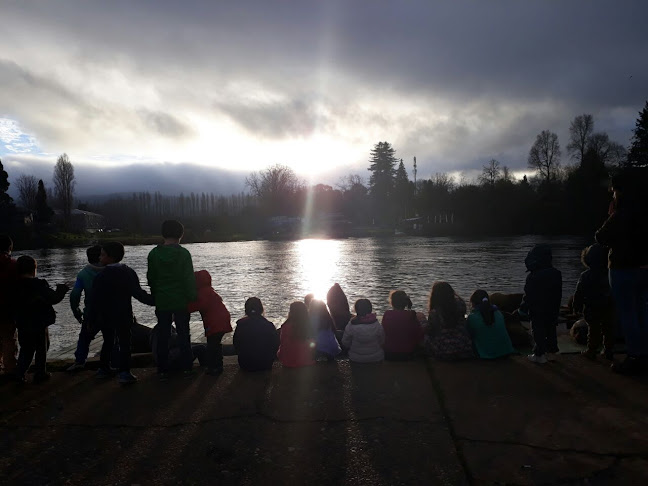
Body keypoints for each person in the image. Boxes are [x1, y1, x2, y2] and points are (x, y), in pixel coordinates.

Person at [595, 170, 648, 374]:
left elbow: (600, 237)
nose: (613, 194)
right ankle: (644, 354)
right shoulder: (644, 211)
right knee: (642, 311)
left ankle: (635, 357)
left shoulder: (622, 214)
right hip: (644, 269)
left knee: (628, 315)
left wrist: (611, 214)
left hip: (623, 269)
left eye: (614, 191)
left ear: (620, 191)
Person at [88, 242, 154, 384]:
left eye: (103, 254)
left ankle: (104, 368)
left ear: (110, 257)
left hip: (105, 316)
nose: (100, 257)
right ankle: (124, 372)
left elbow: (94, 301)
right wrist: (154, 301)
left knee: (108, 342)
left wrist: (91, 320)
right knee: (125, 343)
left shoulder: (101, 276)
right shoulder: (128, 272)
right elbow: (138, 293)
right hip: (124, 315)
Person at [147, 220, 197, 379]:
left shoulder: (154, 254)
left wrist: (155, 294)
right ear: (181, 235)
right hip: (181, 301)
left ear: (163, 234)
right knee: (184, 334)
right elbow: (188, 278)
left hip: (162, 301)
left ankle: (162, 369)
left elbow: (151, 278)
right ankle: (187, 367)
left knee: (163, 335)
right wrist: (192, 297)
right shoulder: (183, 254)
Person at [13, 255, 69, 383]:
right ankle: (40, 373)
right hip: (40, 324)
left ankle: (20, 374)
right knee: (42, 348)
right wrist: (62, 289)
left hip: (22, 324)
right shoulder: (39, 284)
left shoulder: (15, 286)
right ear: (34, 270)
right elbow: (53, 298)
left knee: (26, 350)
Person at [518, 244, 562, 364]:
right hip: (553, 309)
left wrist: (522, 309)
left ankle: (539, 355)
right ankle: (552, 352)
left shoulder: (533, 276)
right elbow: (558, 293)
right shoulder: (556, 273)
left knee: (538, 332)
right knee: (551, 330)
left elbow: (528, 296)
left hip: (537, 311)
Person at [573, 243, 615, 361]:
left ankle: (591, 351)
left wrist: (576, 305)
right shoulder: (610, 274)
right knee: (608, 328)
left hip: (592, 306)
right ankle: (608, 350)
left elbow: (579, 292)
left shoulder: (585, 275)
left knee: (593, 329)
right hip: (608, 305)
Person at [67, 245, 104, 371]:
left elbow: (75, 295)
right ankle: (111, 363)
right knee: (112, 339)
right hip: (110, 312)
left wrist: (77, 312)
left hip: (91, 314)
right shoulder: (111, 271)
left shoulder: (83, 274)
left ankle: (79, 362)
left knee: (84, 339)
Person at [187, 270, 232, 375]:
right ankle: (217, 365)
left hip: (215, 323)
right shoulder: (209, 291)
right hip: (221, 320)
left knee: (212, 346)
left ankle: (213, 367)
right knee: (215, 344)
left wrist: (185, 308)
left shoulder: (202, 292)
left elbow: (199, 305)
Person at [423, 282, 474, 360]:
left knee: (425, 335)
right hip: (463, 347)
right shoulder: (461, 305)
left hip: (443, 350)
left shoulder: (435, 312)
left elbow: (431, 330)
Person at [466, 290, 516, 359]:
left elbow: (469, 335)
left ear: (473, 303)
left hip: (486, 355)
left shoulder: (472, 317)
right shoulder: (498, 313)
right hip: (506, 352)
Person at [233, 297, 279, 371]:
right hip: (265, 364)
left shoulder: (241, 324)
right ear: (261, 309)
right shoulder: (268, 325)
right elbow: (275, 344)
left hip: (245, 364)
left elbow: (236, 343)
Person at [382, 290, 424, 361]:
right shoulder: (412, 315)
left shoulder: (387, 314)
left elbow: (383, 332)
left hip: (389, 354)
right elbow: (419, 335)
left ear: (392, 303)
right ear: (405, 302)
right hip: (409, 354)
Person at [341, 298, 384, 363]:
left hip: (355, 358)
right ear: (370, 309)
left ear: (356, 310)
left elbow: (345, 342)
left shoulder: (352, 324)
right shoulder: (376, 324)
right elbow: (382, 340)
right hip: (376, 357)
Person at [277, 301, 315, 367]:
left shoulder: (285, 326)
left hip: (288, 362)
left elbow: (283, 345)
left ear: (291, 312)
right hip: (306, 361)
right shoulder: (308, 325)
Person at [0, 235, 18, 377]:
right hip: (7, 309)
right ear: (10, 248)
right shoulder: (13, 265)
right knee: (9, 340)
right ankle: (10, 370)